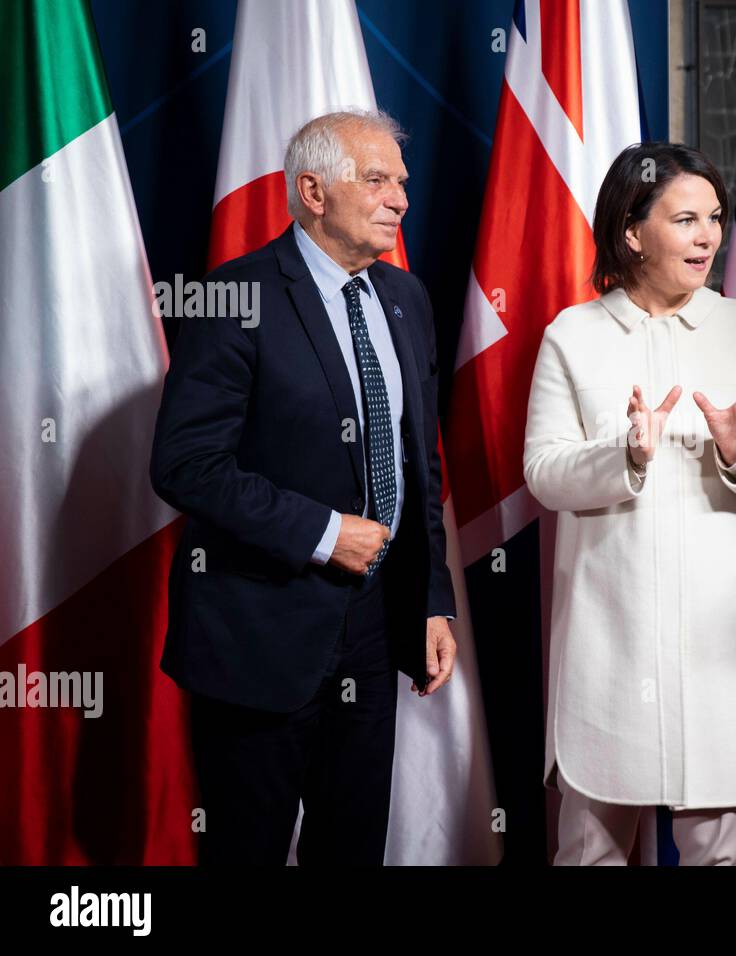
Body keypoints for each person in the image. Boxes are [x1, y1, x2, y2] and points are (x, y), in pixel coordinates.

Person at [150, 109, 457, 865]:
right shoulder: (234, 296)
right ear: (313, 192)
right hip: (258, 630)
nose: (400, 200)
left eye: (403, 184)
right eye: (377, 180)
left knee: (350, 848)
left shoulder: (406, 299)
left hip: (378, 628)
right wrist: (325, 532)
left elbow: (424, 466)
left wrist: (432, 597)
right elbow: (185, 464)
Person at [523, 142, 736, 865]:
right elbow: (543, 473)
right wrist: (626, 454)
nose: (708, 236)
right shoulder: (572, 335)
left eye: (713, 218)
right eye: (686, 219)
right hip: (608, 642)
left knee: (720, 855)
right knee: (590, 854)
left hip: (725, 645)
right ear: (631, 231)